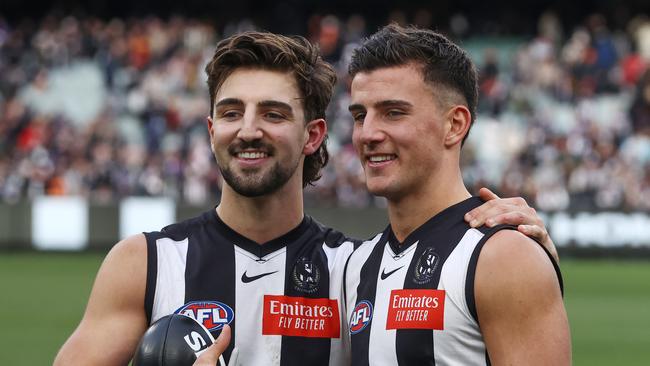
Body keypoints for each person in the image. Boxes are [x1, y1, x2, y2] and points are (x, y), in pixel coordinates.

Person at [55, 30, 559, 366]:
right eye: (231, 113)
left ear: (313, 135)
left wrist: (529, 255)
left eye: (273, 114)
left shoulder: (350, 270)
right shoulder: (146, 262)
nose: (248, 129)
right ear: (210, 130)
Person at [342, 24, 571, 365]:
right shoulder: (354, 266)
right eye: (360, 115)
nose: (368, 134)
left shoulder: (503, 258)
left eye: (393, 112)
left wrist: (527, 259)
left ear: (455, 125)